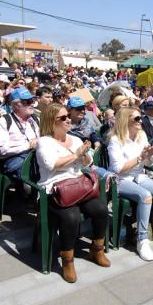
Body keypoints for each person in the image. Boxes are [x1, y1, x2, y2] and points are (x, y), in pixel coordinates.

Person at [36, 103, 110, 283]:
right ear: (51, 122)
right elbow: (52, 164)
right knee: (71, 217)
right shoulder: (44, 142)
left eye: (68, 116)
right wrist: (76, 154)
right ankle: (67, 260)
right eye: (62, 118)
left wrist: (84, 154)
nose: (68, 119)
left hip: (78, 186)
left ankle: (96, 249)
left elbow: (86, 163)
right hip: (55, 189)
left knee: (100, 208)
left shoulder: (75, 139)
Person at [107, 107, 153, 261]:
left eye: (140, 118)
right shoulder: (115, 140)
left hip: (138, 175)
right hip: (120, 180)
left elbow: (149, 162)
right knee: (146, 196)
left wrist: (148, 156)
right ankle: (141, 240)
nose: (140, 121)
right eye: (136, 119)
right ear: (125, 121)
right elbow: (118, 169)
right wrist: (139, 158)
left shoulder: (141, 135)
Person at [0, 87, 40, 181]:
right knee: (33, 172)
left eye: (31, 101)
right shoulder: (5, 121)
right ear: (15, 105)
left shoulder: (34, 119)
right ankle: (34, 194)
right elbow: (2, 150)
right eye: (26, 102)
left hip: (35, 154)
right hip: (14, 159)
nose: (31, 104)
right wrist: (28, 145)